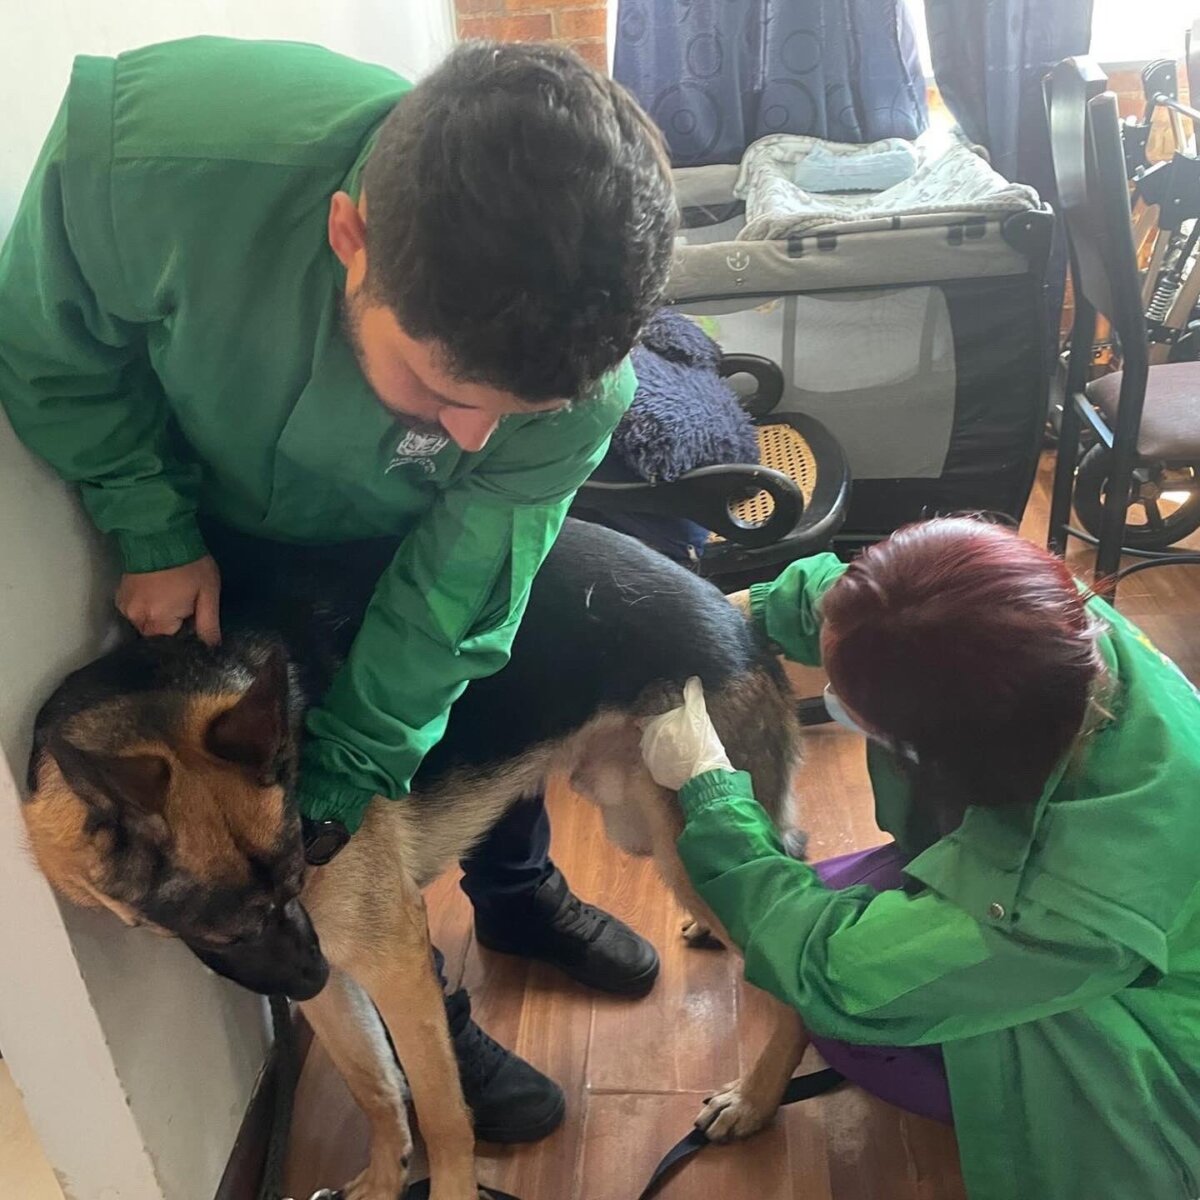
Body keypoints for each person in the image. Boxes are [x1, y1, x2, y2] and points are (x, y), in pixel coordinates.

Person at [0, 36, 677, 1143]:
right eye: (443, 386)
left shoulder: (579, 398)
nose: (471, 436)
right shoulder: (143, 165)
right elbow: (50, 350)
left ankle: (519, 900)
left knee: (469, 684)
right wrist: (151, 524)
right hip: (220, 514)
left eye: (518, 413)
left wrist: (350, 776)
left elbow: (456, 598)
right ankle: (438, 1015)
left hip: (409, 539)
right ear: (348, 235)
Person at [640, 518, 1200, 1200]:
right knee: (812, 901)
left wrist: (710, 792)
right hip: (1113, 902)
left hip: (1151, 1017)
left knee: (846, 1014)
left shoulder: (1067, 902)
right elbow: (857, 600)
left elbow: (829, 968)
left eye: (856, 705)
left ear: (947, 754)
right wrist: (733, 612)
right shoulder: (1034, 619)